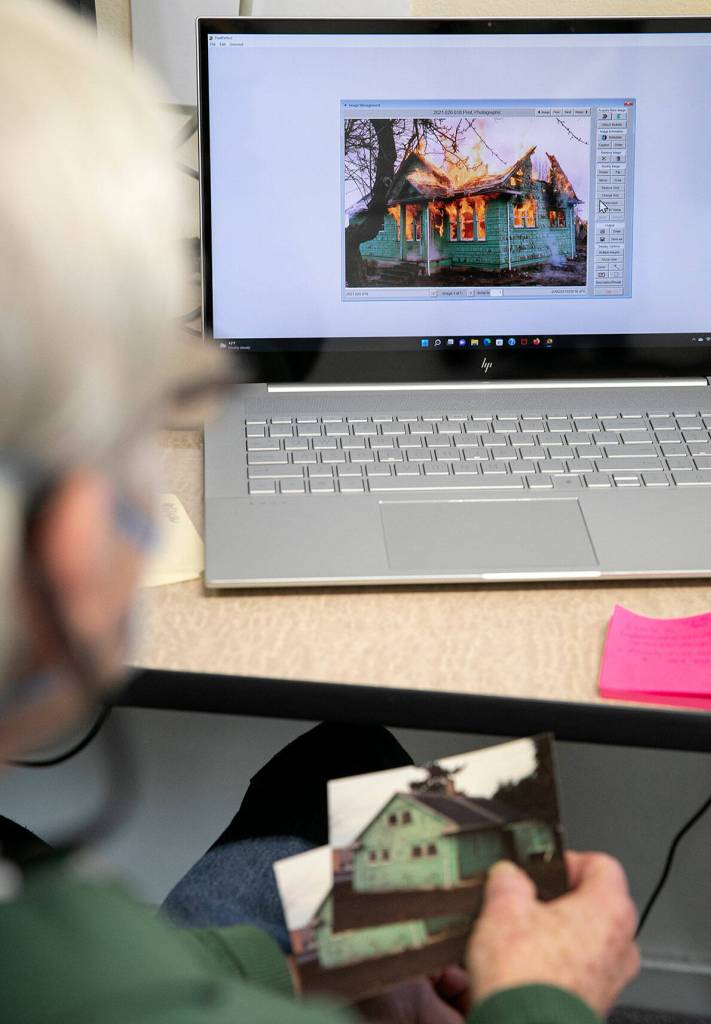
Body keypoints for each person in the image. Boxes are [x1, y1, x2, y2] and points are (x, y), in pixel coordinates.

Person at [0, 3, 640, 1022]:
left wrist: (296, 971)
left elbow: (117, 974)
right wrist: (541, 992)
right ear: (67, 540)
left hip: (170, 960)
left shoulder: (47, 939)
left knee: (357, 758)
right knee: (446, 818)